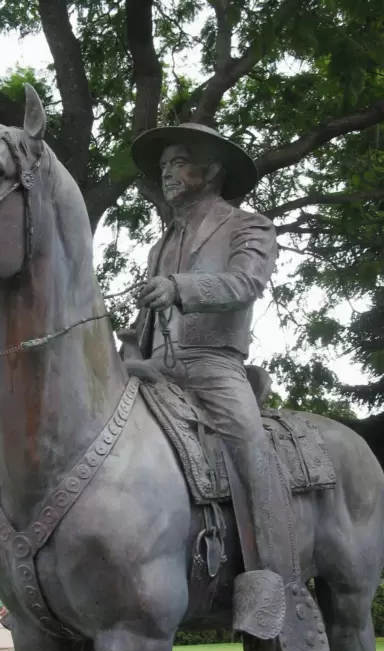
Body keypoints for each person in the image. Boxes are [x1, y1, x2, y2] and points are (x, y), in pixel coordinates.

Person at [129, 122, 296, 611]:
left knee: (251, 448)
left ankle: (271, 580)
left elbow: (245, 284)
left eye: (178, 162)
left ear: (213, 170)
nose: (167, 173)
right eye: (163, 166)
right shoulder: (158, 246)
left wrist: (182, 289)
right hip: (152, 371)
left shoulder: (248, 226)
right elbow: (145, 320)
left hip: (213, 366)